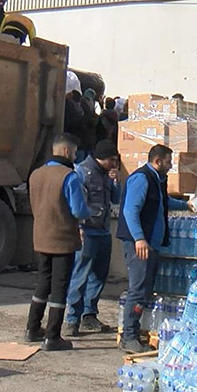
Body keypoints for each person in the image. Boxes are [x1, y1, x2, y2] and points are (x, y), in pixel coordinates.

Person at [117, 144, 191, 352]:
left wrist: (186, 205)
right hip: (139, 244)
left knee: (146, 289)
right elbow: (130, 210)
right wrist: (139, 238)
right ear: (157, 161)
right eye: (168, 162)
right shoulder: (142, 179)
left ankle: (134, 332)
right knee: (138, 289)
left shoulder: (157, 181)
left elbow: (162, 202)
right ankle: (129, 336)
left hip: (151, 244)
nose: (170, 166)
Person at [25, 134, 91, 351]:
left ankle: (32, 328)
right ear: (66, 152)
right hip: (62, 238)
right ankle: (53, 336)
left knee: (43, 282)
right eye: (73, 152)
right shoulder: (69, 176)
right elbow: (78, 210)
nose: (74, 156)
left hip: (41, 236)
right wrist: (90, 213)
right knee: (60, 286)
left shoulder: (36, 174)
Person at [64, 140, 120, 337]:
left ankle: (90, 314)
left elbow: (116, 199)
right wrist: (78, 226)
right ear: (101, 158)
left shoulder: (107, 174)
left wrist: (115, 182)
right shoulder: (82, 172)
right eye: (112, 160)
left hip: (103, 231)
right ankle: (72, 319)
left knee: (99, 275)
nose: (114, 164)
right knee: (80, 275)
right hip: (87, 231)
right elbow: (77, 202)